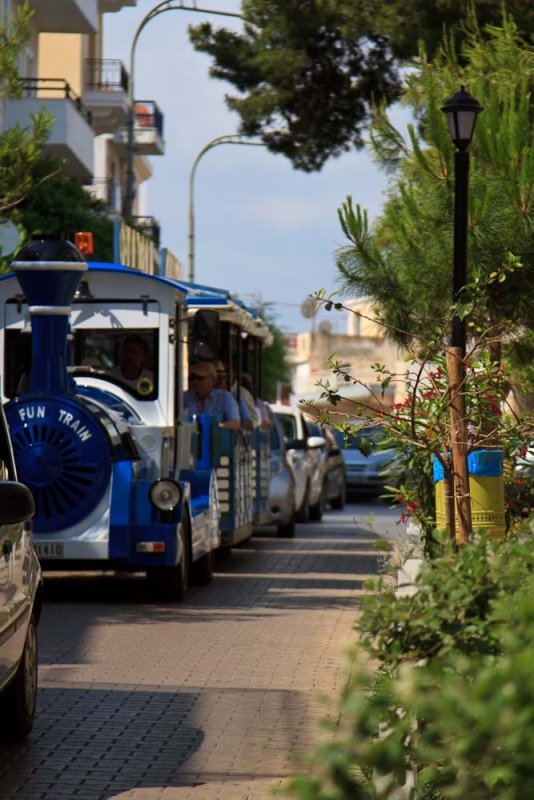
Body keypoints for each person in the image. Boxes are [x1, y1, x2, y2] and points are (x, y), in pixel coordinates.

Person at [184, 361, 240, 431]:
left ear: (213, 380)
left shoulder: (225, 398)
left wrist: (214, 427)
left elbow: (235, 424)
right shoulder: (185, 398)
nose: (196, 381)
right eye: (193, 378)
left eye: (200, 378)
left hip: (216, 440)